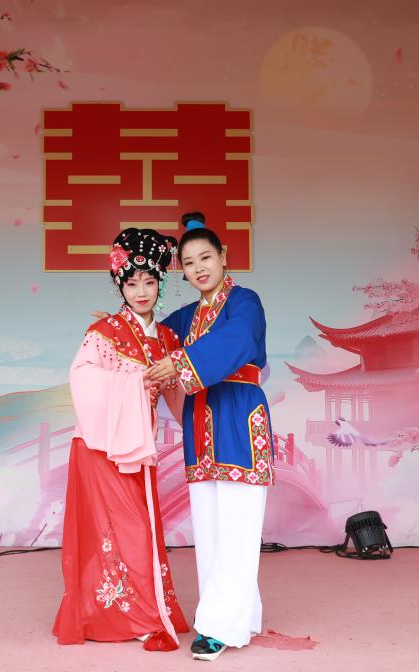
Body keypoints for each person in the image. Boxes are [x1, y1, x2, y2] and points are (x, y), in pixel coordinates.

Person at [53, 227, 190, 651]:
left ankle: (137, 610)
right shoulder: (104, 331)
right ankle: (135, 616)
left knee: (138, 529)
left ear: (160, 283)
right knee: (120, 530)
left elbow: (179, 396)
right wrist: (134, 382)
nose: (141, 292)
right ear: (120, 286)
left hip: (138, 446)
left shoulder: (167, 338)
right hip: (100, 447)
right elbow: (81, 379)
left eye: (149, 282)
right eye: (132, 284)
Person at [146, 212, 275, 662]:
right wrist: (121, 327)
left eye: (205, 257)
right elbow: (155, 338)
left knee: (238, 528)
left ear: (223, 256)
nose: (198, 267)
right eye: (188, 262)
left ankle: (217, 627)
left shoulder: (245, 302)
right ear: (181, 271)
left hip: (238, 415)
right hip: (201, 421)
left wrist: (181, 363)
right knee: (211, 529)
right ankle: (241, 616)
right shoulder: (186, 317)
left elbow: (239, 340)